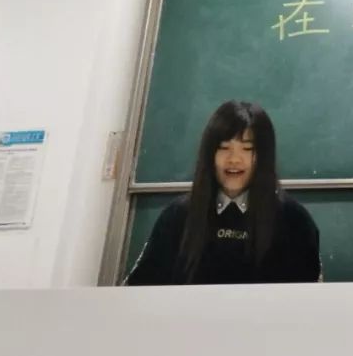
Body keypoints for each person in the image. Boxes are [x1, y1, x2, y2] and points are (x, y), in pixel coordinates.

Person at [126, 100, 321, 285]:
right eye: (224, 147)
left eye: (247, 149)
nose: (234, 159)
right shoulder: (177, 215)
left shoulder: (293, 219)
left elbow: (309, 295)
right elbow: (142, 286)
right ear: (209, 154)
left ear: (264, 156)